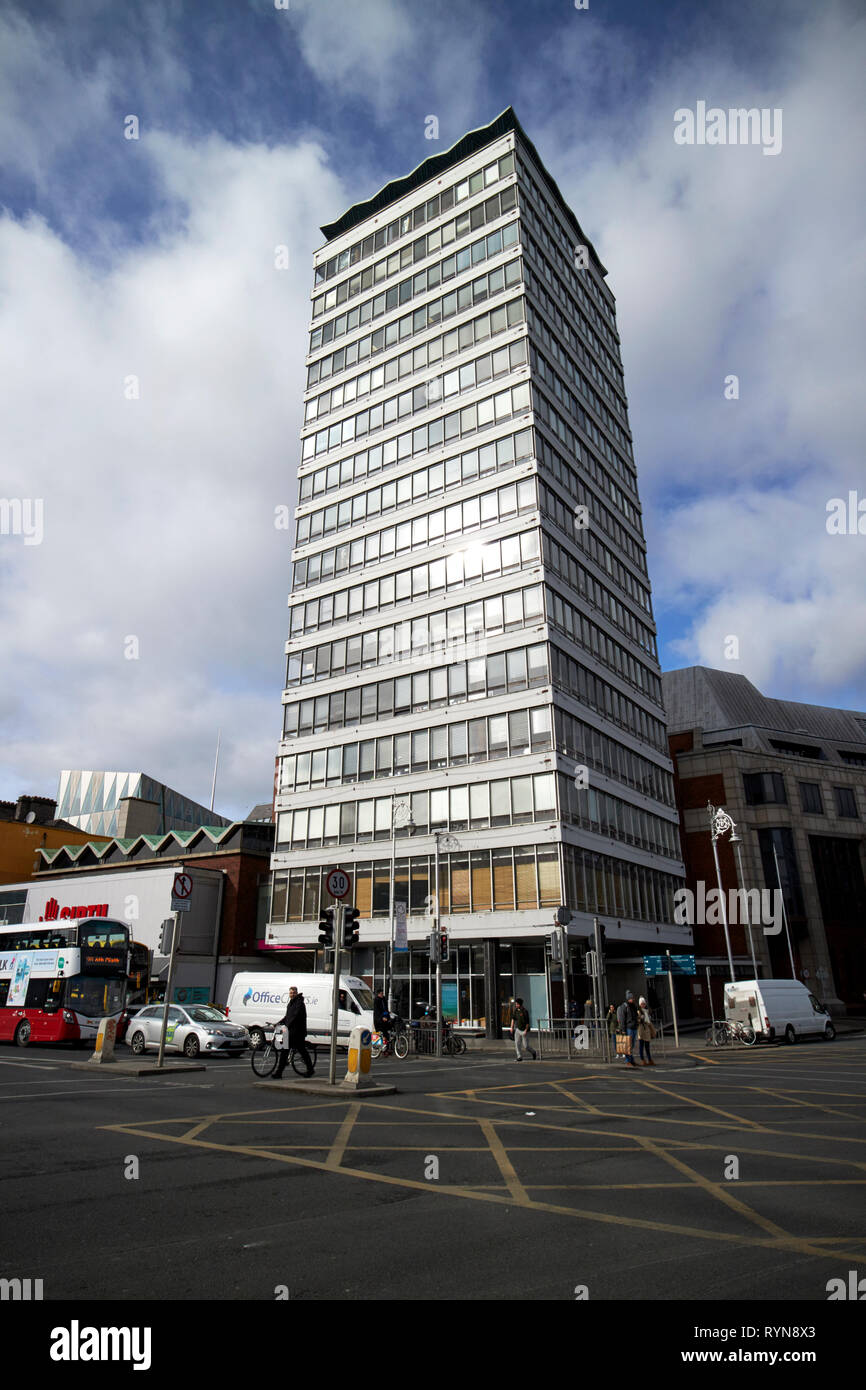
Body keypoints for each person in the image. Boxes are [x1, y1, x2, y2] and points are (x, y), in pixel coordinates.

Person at [273, 986, 314, 1078]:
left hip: (298, 1032)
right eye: (291, 993)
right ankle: (279, 1073)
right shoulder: (290, 1003)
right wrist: (278, 1023)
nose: (292, 994)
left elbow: (295, 1017)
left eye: (293, 993)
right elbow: (287, 1017)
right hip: (291, 1032)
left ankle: (310, 1070)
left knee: (301, 1051)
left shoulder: (299, 1003)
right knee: (286, 1051)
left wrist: (287, 1025)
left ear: (296, 993)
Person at [616, 990, 639, 1067]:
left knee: (631, 1045)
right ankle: (628, 1060)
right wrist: (622, 1029)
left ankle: (631, 1060)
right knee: (628, 1045)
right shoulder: (625, 1006)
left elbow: (636, 1016)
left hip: (634, 1027)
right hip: (628, 1027)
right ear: (629, 998)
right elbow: (622, 1019)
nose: (633, 999)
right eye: (632, 998)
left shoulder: (634, 1006)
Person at [511, 996, 537, 1062]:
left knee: (526, 1046)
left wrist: (525, 1030)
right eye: (516, 1004)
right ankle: (519, 1056)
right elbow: (513, 1019)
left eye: (517, 1004)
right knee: (517, 1043)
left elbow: (527, 1022)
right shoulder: (516, 1011)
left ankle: (533, 1052)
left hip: (525, 1030)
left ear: (520, 1004)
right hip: (518, 1029)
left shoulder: (525, 1011)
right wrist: (511, 1028)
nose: (516, 1005)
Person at [637, 996, 656, 1066]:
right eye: (642, 1003)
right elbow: (637, 1021)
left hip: (647, 1029)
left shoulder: (647, 1011)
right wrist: (640, 1019)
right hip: (641, 1029)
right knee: (641, 1046)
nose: (643, 1005)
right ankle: (643, 1060)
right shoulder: (638, 1011)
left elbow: (649, 1021)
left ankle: (650, 1059)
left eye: (644, 1003)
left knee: (647, 1046)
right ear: (639, 1004)